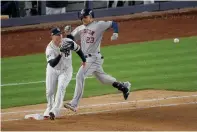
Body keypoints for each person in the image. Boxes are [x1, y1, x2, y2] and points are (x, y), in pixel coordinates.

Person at [64, 9, 131, 112]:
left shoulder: (98, 25)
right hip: (87, 58)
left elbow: (113, 23)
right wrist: (68, 33)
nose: (83, 19)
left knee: (80, 75)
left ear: (91, 17)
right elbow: (71, 40)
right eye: (82, 17)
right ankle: (123, 86)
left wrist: (116, 33)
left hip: (93, 58)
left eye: (85, 17)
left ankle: (74, 103)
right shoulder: (80, 28)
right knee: (103, 79)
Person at [43, 27, 86, 120]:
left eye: (60, 34)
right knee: (50, 91)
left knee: (61, 88)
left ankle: (55, 111)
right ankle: (49, 107)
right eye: (57, 35)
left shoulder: (68, 42)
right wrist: (60, 54)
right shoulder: (49, 48)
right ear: (52, 36)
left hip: (66, 70)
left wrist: (84, 60)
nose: (59, 36)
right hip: (52, 70)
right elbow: (52, 64)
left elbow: (78, 49)